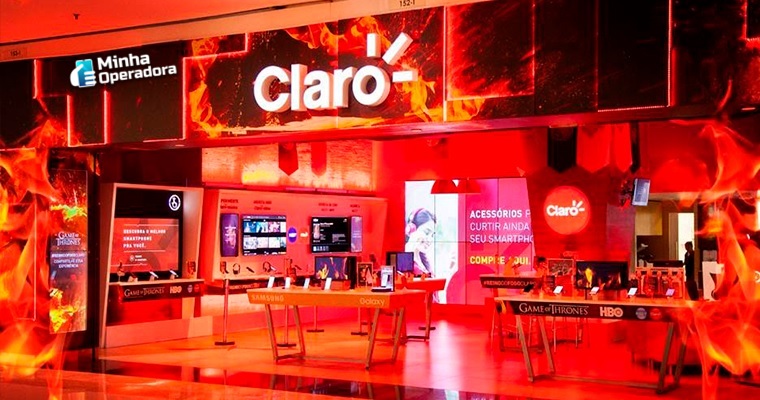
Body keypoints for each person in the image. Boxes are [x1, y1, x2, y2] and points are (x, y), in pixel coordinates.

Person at [404, 208, 436, 276]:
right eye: (426, 232)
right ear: (412, 229)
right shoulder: (404, 262)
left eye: (432, 235)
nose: (429, 239)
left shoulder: (424, 262)